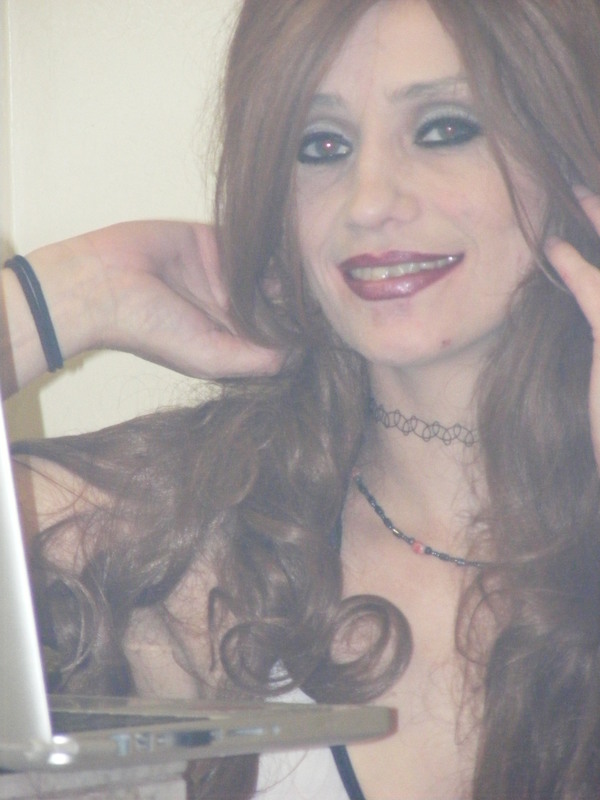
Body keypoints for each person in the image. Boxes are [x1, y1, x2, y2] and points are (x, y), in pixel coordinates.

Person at [3, 0, 600, 797]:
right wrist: (60, 299)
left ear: (570, 158)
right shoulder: (174, 542)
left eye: (445, 128)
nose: (368, 200)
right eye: (320, 145)